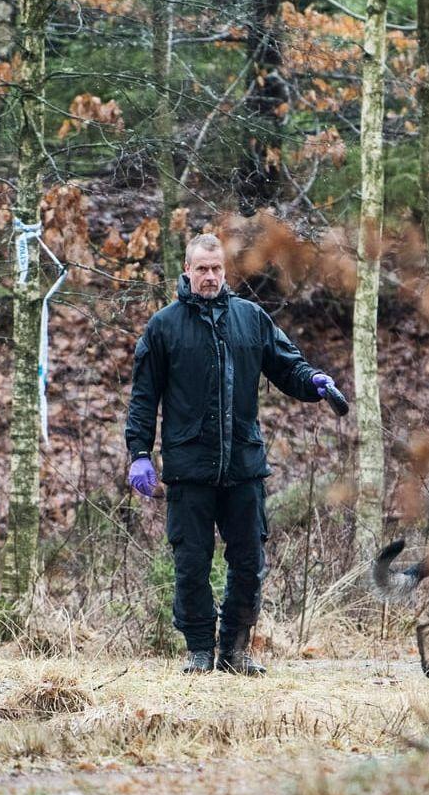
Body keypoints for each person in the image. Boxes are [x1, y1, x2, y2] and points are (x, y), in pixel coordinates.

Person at [125, 233, 336, 675]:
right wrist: (139, 452)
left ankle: (236, 652)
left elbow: (287, 366)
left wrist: (314, 381)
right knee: (191, 562)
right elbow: (144, 397)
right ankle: (200, 652)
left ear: (226, 270)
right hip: (189, 469)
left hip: (243, 465)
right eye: (202, 269)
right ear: (187, 271)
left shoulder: (251, 318)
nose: (210, 276)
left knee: (248, 562)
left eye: (217, 268)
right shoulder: (163, 326)